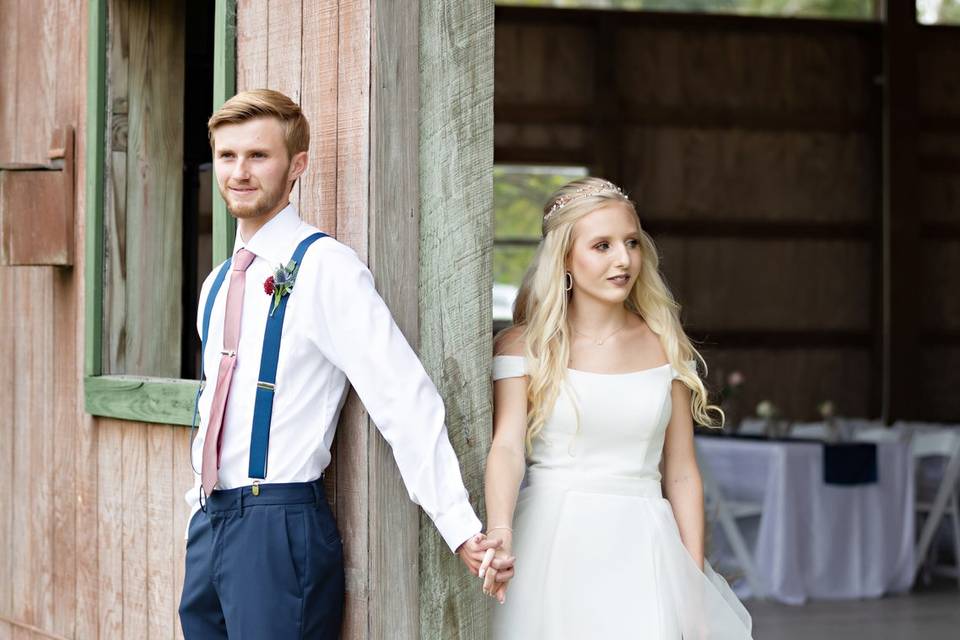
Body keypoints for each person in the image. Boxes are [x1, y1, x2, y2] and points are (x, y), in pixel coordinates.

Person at [177, 89, 506, 639]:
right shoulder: (216, 285)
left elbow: (402, 396)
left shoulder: (326, 268)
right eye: (228, 155)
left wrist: (458, 524)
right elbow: (217, 405)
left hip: (278, 526)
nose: (239, 171)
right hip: (211, 522)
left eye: (258, 155)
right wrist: (197, 508)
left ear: (296, 165)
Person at [480, 177, 753, 638]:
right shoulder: (524, 347)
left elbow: (682, 472)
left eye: (630, 243)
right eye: (601, 246)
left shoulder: (666, 346)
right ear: (565, 258)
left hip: (644, 546)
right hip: (553, 542)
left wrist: (691, 582)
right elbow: (506, 446)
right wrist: (501, 529)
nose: (623, 260)